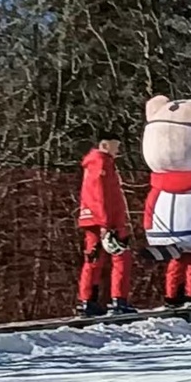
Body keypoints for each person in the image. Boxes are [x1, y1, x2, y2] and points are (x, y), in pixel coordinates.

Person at [76, 136, 135, 317]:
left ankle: (88, 300)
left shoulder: (98, 163)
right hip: (107, 221)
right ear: (105, 144)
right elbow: (100, 195)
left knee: (94, 260)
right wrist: (105, 222)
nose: (118, 150)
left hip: (96, 219)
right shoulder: (101, 163)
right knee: (120, 258)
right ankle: (118, 299)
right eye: (115, 146)